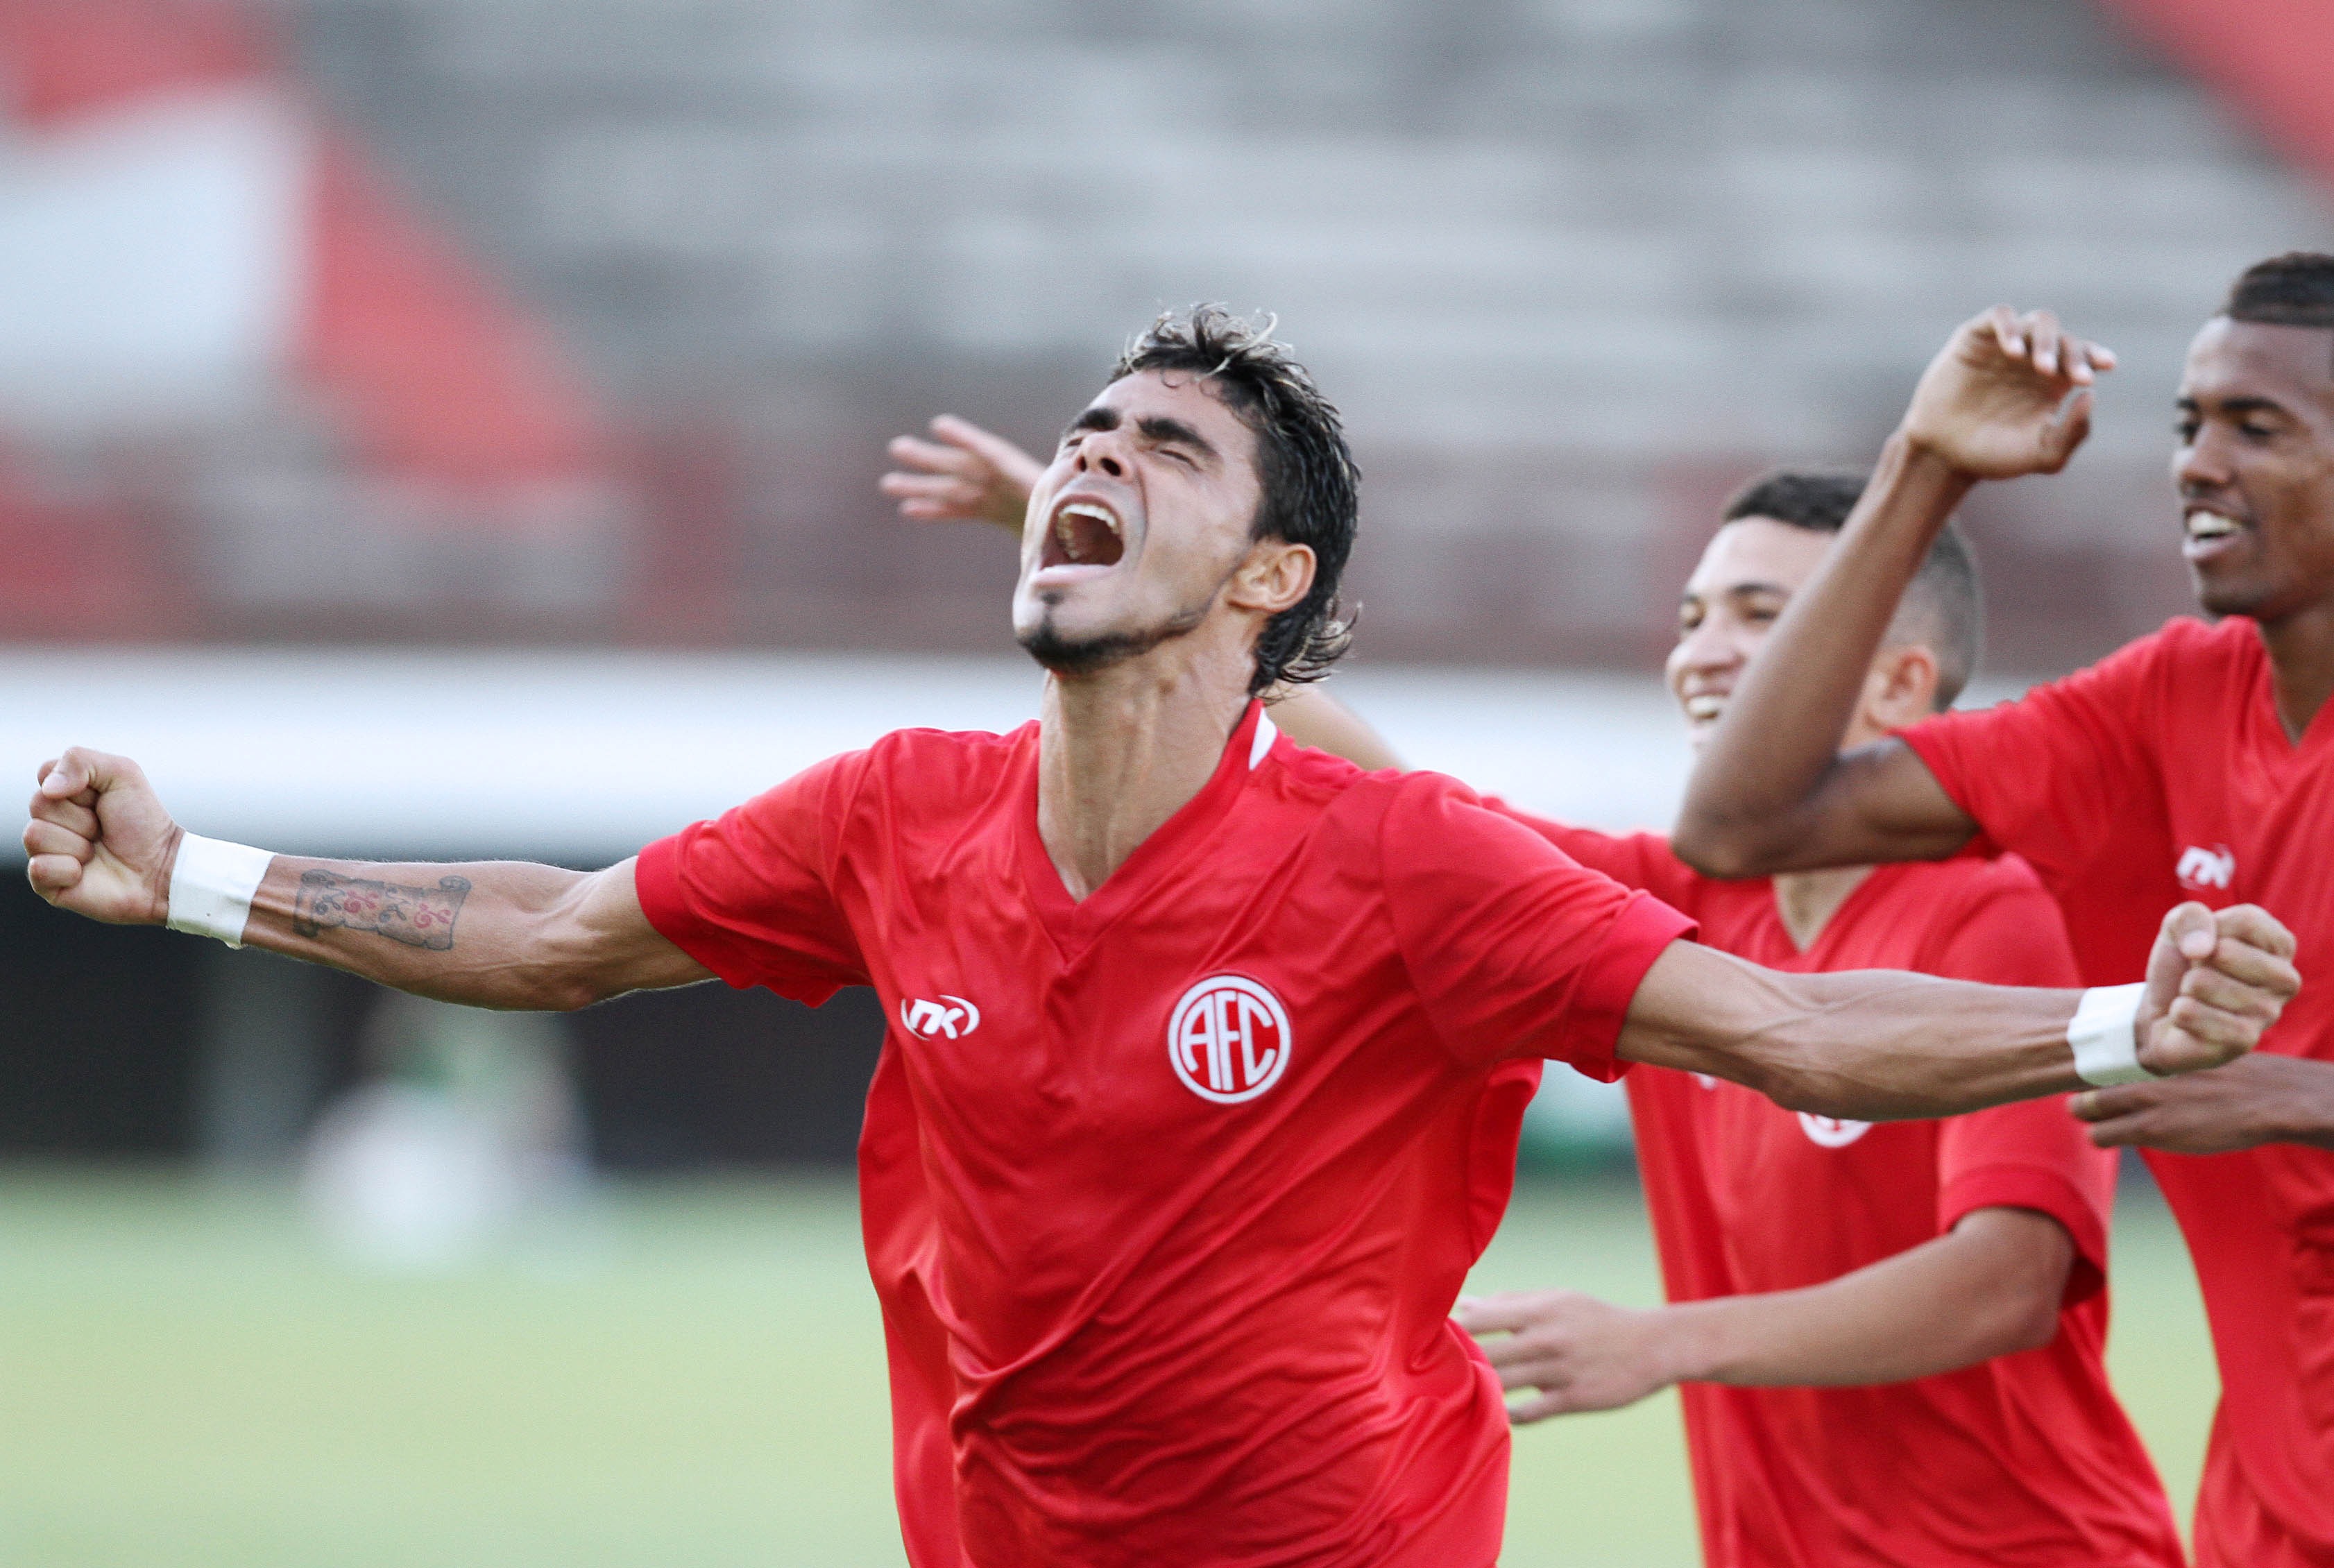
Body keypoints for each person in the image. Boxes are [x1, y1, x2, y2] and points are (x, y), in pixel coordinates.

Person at [30, 310, 2294, 1568]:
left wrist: (2104, 1017)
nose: (1097, 453)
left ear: (1266, 584)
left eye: (1162, 451)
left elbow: (1797, 1033)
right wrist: (209, 877)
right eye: (1087, 434)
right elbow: (557, 930)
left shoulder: (1420, 869)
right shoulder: (889, 816)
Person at [881, 434, 2186, 1565]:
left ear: (1899, 679)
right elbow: (1384, 802)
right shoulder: (1675, 895)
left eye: (1760, 617)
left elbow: (2008, 1280)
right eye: (1692, 618)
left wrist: (1664, 1342)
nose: (1707, 652)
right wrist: (1154, 589)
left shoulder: (1993, 910)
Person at [1672, 258, 2334, 1568]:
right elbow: (1742, 826)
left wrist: (2302, 1098)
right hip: (2267, 1518)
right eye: (2187, 424)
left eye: (2255, 428)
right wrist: (1926, 467)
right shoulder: (2169, 706)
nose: (2198, 463)